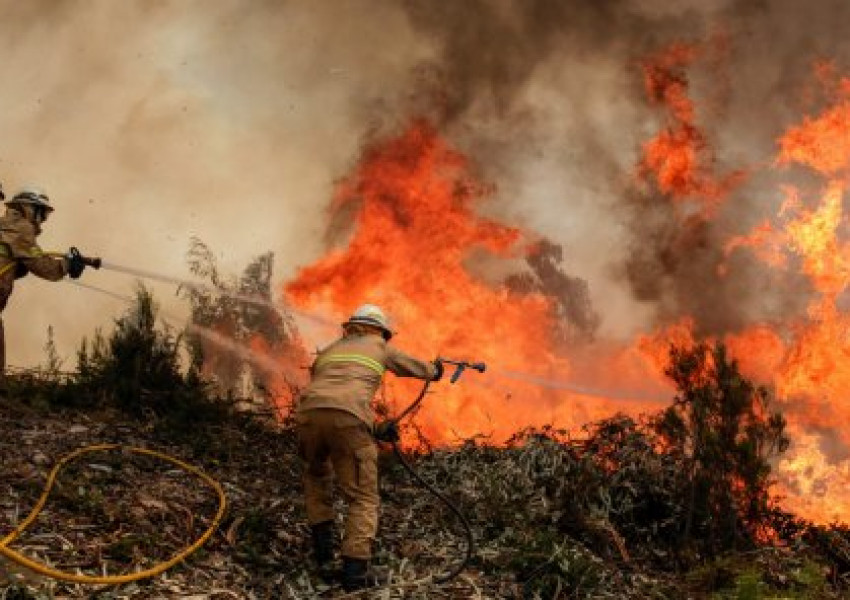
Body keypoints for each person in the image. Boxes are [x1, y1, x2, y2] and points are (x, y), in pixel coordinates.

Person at [296, 303, 442, 591]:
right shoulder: (380, 346)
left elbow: (333, 398)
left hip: (307, 416)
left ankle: (323, 559)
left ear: (351, 326)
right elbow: (415, 368)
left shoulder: (329, 350)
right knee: (362, 498)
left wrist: (375, 428)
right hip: (348, 420)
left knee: (316, 478)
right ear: (381, 330)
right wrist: (435, 370)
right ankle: (354, 575)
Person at [0, 186, 90, 392]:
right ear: (28, 208)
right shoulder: (20, 227)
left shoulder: (4, 225)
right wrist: (67, 265)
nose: (42, 220)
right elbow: (43, 266)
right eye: (41, 213)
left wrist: (18, 269)